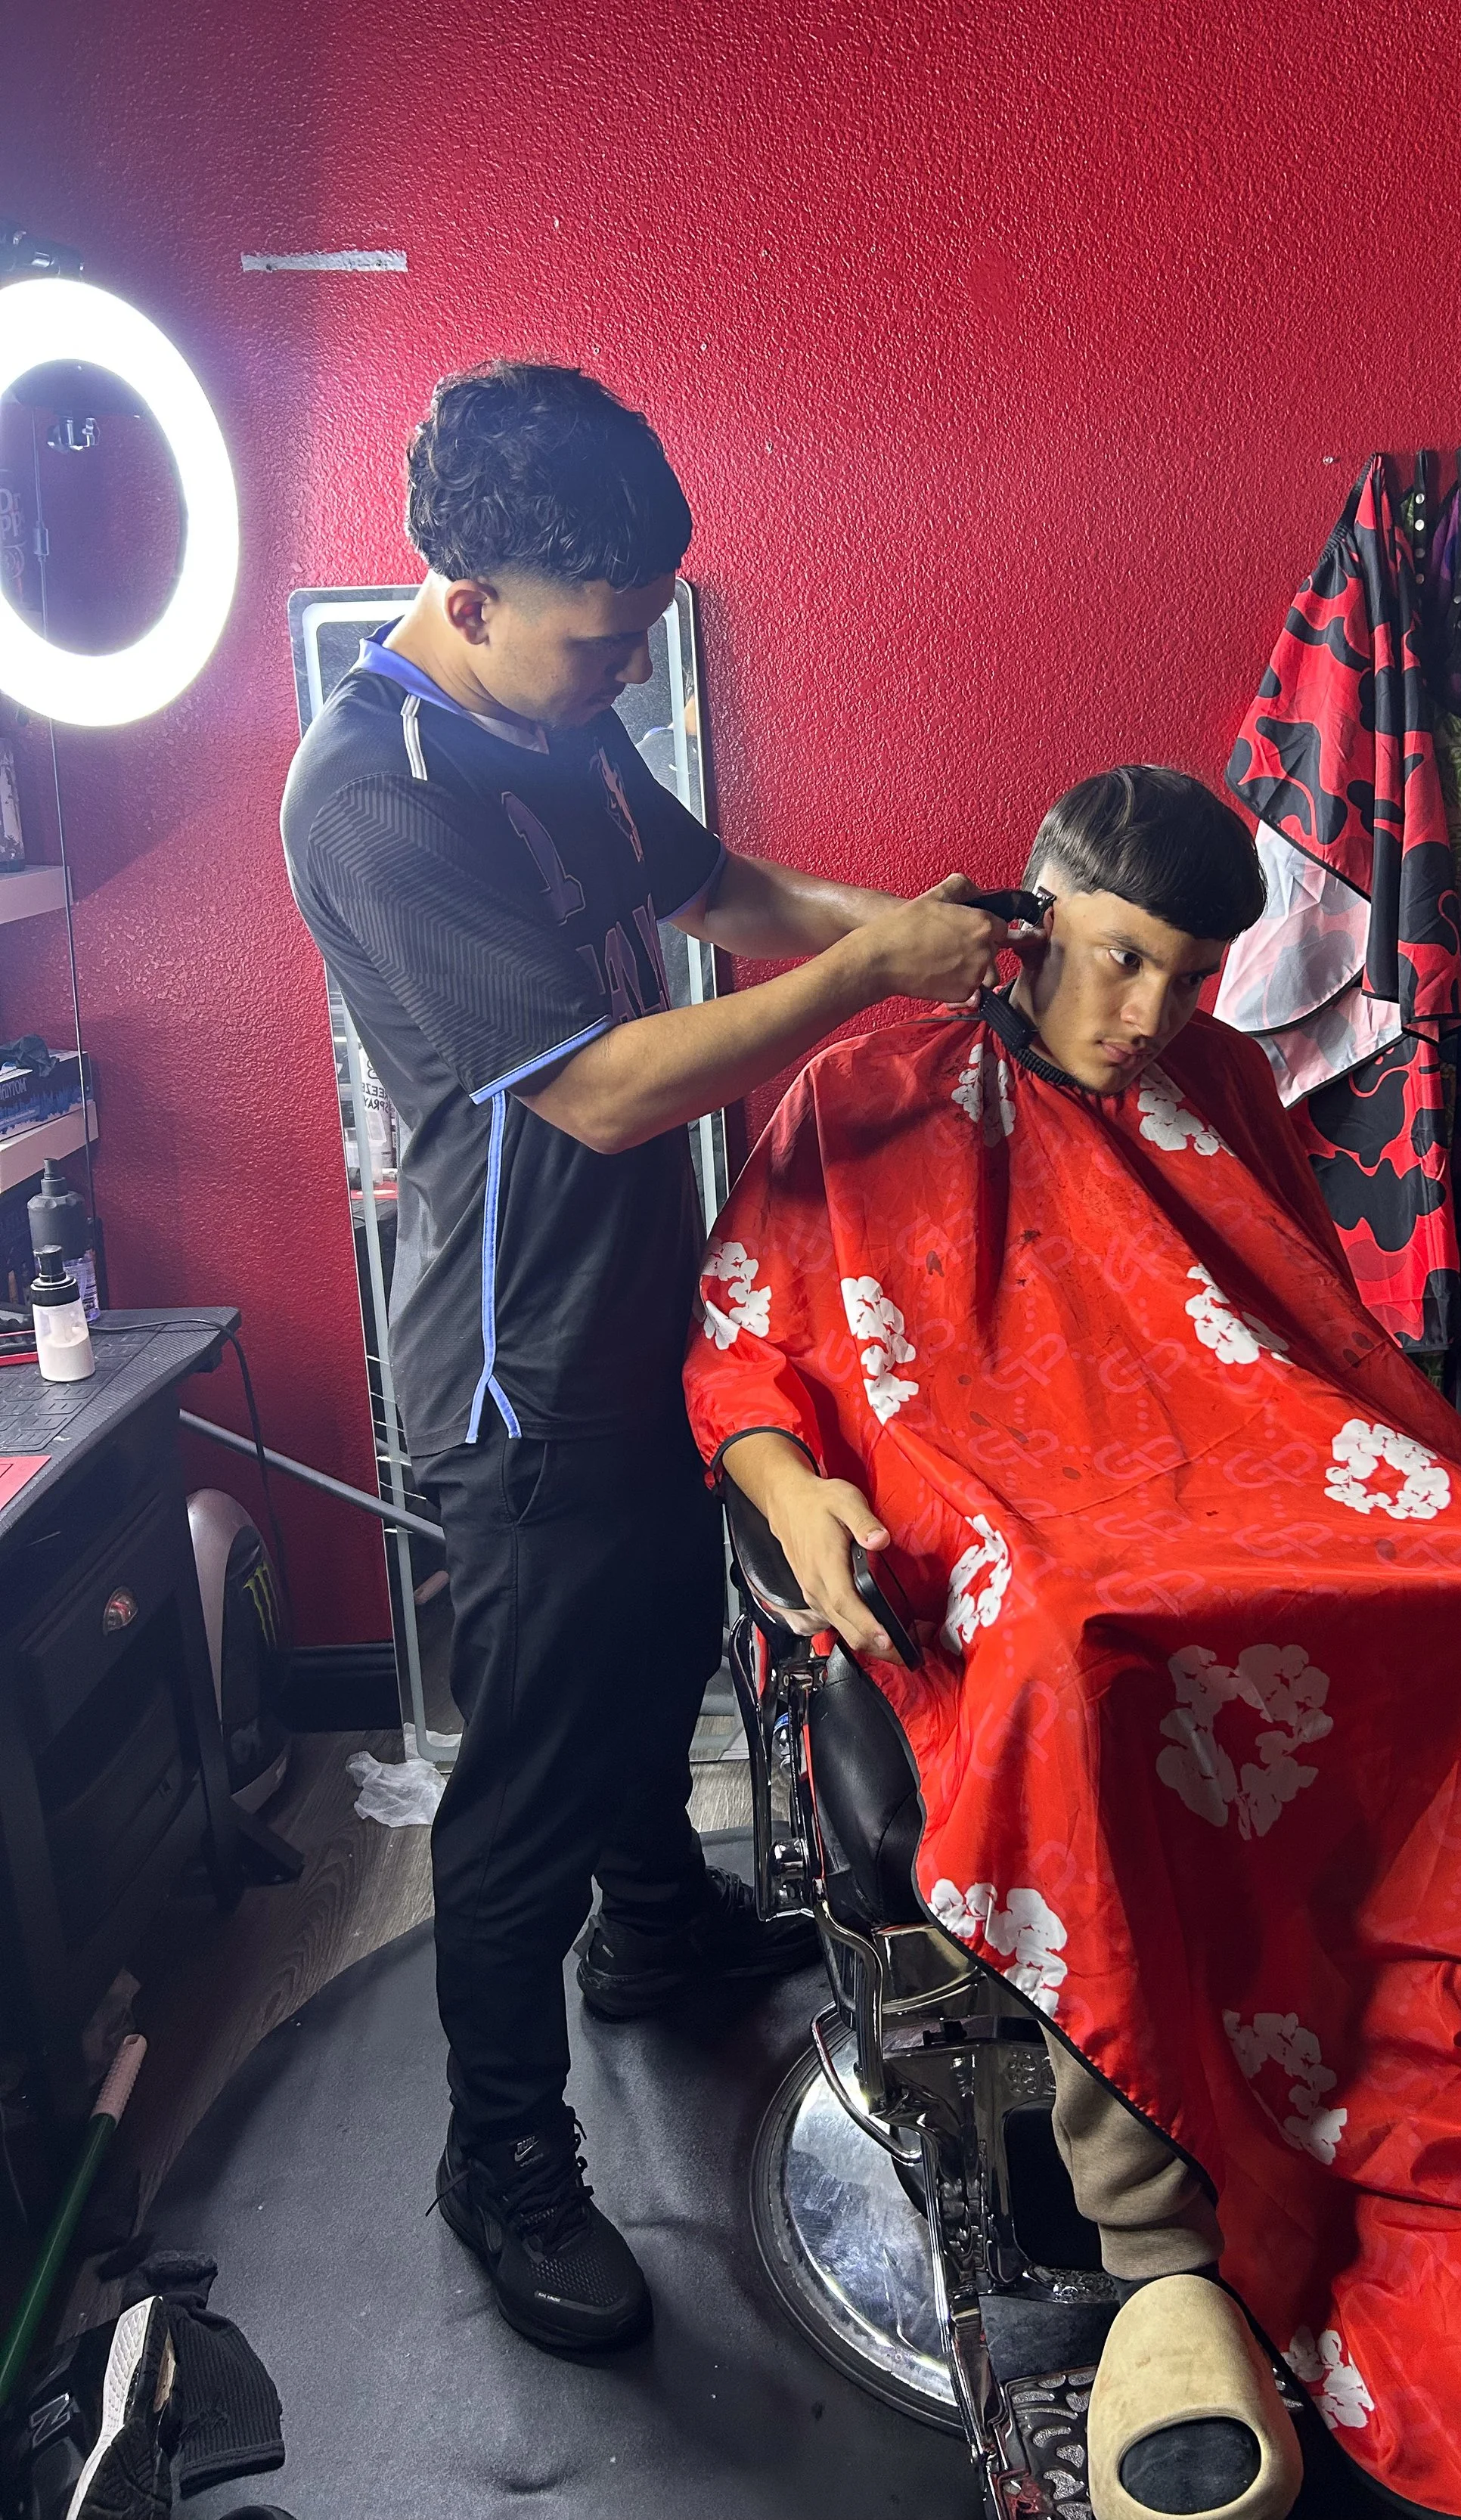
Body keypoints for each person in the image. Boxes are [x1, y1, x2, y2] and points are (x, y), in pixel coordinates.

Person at [684, 766, 1461, 2520]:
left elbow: (1297, 1328)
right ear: (1030, 914)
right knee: (1077, 1651)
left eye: (1188, 977)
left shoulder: (1223, 1081)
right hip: (993, 1515)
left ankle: (1458, 2139)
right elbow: (743, 1343)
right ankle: (1154, 2243)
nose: (1148, 1014)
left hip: (1225, 1480)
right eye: (1117, 959)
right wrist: (788, 1486)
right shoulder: (864, 1089)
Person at [279, 361, 1007, 2354]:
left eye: (633, 642)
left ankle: (656, 1932)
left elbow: (720, 895)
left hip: (640, 1312)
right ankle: (501, 2153)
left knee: (660, 1642)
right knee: (530, 1782)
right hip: (513, 1370)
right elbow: (601, 1088)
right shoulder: (375, 791)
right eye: (593, 643)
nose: (618, 674)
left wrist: (920, 945)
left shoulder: (557, 719)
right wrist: (864, 977)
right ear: (467, 593)